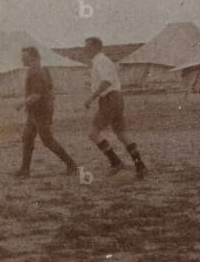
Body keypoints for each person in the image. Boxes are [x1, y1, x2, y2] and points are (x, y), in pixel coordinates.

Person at [83, 37, 147, 179]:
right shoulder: (100, 61)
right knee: (122, 134)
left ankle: (116, 162)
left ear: (95, 47)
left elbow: (106, 81)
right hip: (114, 98)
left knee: (93, 134)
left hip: (110, 98)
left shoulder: (101, 61)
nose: (85, 50)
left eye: (87, 47)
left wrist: (91, 97)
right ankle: (140, 166)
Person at [14, 46, 78, 178]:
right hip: (38, 110)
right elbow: (50, 89)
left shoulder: (36, 72)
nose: (21, 59)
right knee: (27, 138)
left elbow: (36, 95)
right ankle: (25, 170)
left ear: (32, 57)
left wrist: (21, 104)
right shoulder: (42, 70)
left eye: (24, 57)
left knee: (47, 140)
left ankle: (71, 164)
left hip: (40, 111)